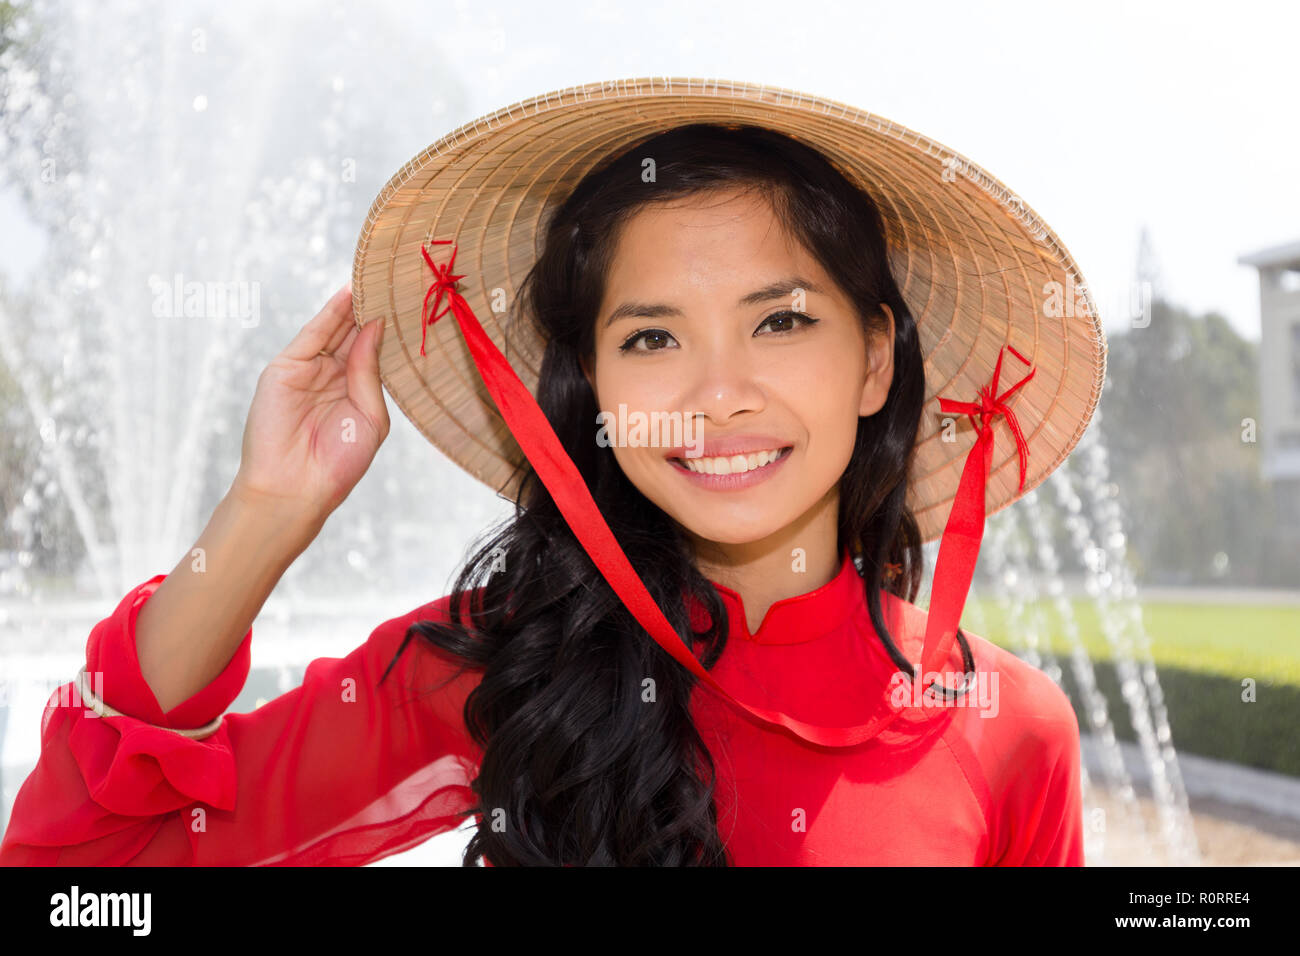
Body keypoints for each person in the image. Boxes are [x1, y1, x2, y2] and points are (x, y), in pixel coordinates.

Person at [0, 81, 1102, 866]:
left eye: (778, 320)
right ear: (592, 393)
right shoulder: (512, 662)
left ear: (873, 359)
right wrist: (264, 513)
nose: (717, 396)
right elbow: (82, 865)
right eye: (653, 338)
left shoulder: (1010, 727)